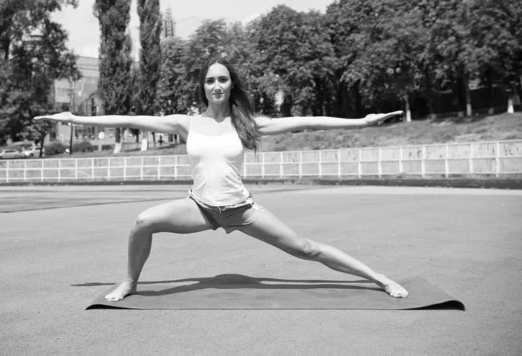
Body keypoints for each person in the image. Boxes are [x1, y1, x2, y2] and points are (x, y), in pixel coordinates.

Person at [34, 58, 409, 301]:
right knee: (143, 222)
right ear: (204, 86)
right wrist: (73, 118)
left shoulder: (249, 123)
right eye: (211, 80)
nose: (216, 85)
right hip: (199, 208)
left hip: (242, 209)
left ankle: (378, 277)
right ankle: (130, 282)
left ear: (231, 85)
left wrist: (360, 121)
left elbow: (309, 121)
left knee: (306, 249)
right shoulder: (185, 123)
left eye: (223, 80)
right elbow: (127, 119)